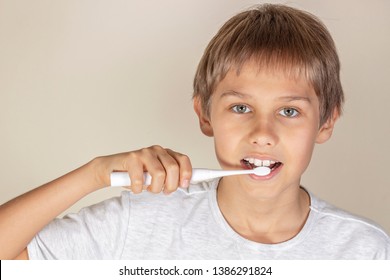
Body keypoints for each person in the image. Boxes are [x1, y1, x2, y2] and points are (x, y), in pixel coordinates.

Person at [0, 4, 389, 260]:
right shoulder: (139, 222)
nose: (263, 133)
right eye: (241, 108)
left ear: (326, 122)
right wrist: (97, 173)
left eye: (289, 111)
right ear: (205, 115)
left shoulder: (364, 251)